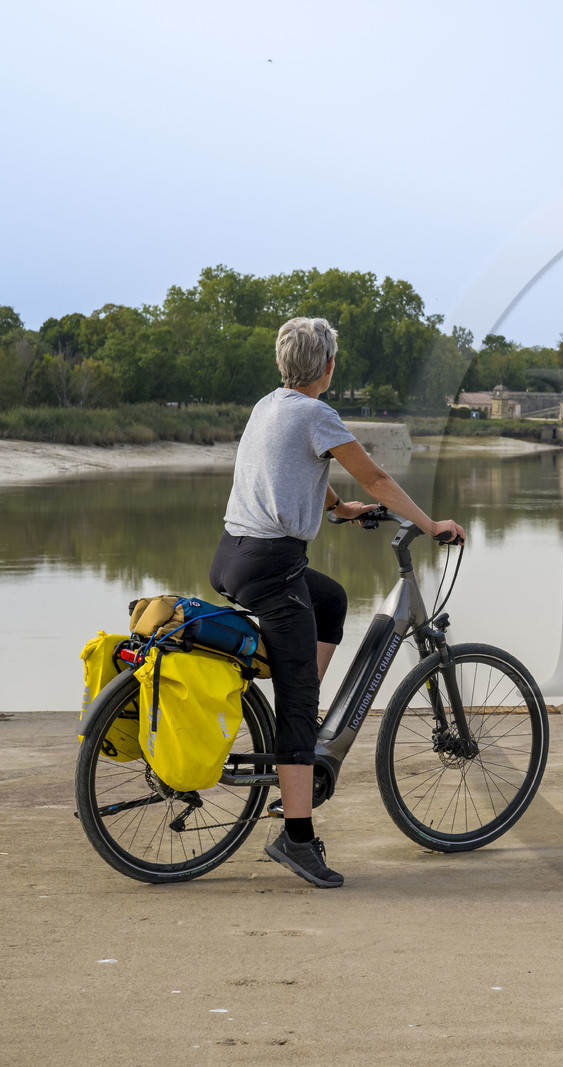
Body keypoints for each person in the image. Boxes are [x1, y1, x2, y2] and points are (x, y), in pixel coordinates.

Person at [209, 317, 465, 888]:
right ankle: (297, 839)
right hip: (272, 566)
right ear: (327, 366)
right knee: (297, 707)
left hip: (234, 555)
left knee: (331, 601)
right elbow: (375, 477)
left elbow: (293, 468)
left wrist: (337, 508)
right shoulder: (317, 413)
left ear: (283, 363)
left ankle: (305, 721)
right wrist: (430, 525)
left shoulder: (268, 406)